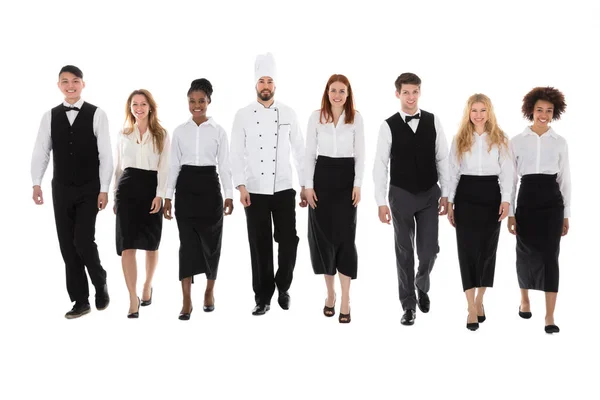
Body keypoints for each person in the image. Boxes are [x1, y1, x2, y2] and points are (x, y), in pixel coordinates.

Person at [31, 65, 113, 319]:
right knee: (67, 246)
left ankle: (100, 280)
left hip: (90, 189)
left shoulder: (97, 114)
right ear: (59, 86)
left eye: (75, 81)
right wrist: (36, 182)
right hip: (61, 189)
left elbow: (106, 154)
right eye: (65, 81)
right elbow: (41, 150)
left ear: (83, 84)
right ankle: (80, 300)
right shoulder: (49, 116)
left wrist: (104, 188)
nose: (70, 85)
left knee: (83, 241)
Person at [230, 52, 307, 316]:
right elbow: (235, 153)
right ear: (255, 85)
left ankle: (283, 285)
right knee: (259, 245)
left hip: (284, 188)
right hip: (254, 190)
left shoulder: (288, 112)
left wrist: (306, 185)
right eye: (261, 81)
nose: (265, 86)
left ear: (275, 85)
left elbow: (300, 150)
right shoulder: (242, 115)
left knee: (289, 241)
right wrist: (240, 186)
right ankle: (262, 297)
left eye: (269, 81)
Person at [373, 72, 449, 326]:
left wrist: (446, 194)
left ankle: (421, 284)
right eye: (405, 92)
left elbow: (443, 159)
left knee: (428, 251)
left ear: (420, 92)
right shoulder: (388, 126)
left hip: (429, 194)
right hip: (400, 195)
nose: (410, 97)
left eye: (415, 91)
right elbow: (380, 165)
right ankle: (408, 305)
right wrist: (380, 201)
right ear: (398, 94)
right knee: (404, 251)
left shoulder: (433, 121)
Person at [164, 78, 234, 321]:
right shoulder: (180, 131)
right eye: (192, 101)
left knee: (212, 243)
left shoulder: (219, 132)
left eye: (201, 101)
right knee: (187, 245)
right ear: (187, 102)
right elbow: (173, 166)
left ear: (209, 101)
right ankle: (186, 299)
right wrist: (167, 197)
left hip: (209, 188)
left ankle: (209, 292)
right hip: (185, 189)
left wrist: (229, 195)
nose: (197, 105)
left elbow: (225, 167)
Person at [446, 94, 512, 331]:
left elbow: (507, 173)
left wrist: (506, 201)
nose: (478, 115)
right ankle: (470, 307)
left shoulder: (501, 139)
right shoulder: (459, 139)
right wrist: (450, 202)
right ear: (468, 113)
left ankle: (480, 300)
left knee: (487, 252)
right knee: (466, 251)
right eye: (474, 110)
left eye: (483, 110)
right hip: (466, 195)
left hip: (491, 196)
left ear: (489, 112)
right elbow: (452, 172)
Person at [507, 86, 570, 334]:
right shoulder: (516, 141)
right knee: (524, 252)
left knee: (550, 256)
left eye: (549, 110)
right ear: (531, 110)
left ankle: (550, 315)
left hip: (552, 202)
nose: (544, 114)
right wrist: (510, 211)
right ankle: (524, 300)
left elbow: (566, 179)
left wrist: (566, 214)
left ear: (555, 113)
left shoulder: (560, 142)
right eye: (539, 110)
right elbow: (510, 179)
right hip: (527, 199)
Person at [304, 74, 365, 323]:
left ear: (348, 93)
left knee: (345, 239)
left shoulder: (356, 118)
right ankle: (330, 294)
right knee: (322, 238)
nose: (337, 95)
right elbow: (309, 153)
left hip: (345, 180)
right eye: (333, 91)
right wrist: (308, 186)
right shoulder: (316, 117)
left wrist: (358, 184)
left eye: (342, 91)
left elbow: (360, 154)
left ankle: (346, 298)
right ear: (327, 92)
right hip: (322, 179)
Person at [113, 89, 169, 318]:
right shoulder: (123, 133)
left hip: (150, 189)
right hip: (126, 190)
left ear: (150, 107)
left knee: (151, 243)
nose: (139, 108)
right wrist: (115, 194)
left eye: (143, 104)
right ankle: (132, 298)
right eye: (134, 104)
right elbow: (118, 167)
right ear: (130, 107)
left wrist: (160, 194)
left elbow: (165, 166)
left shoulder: (161, 134)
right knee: (127, 245)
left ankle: (147, 287)